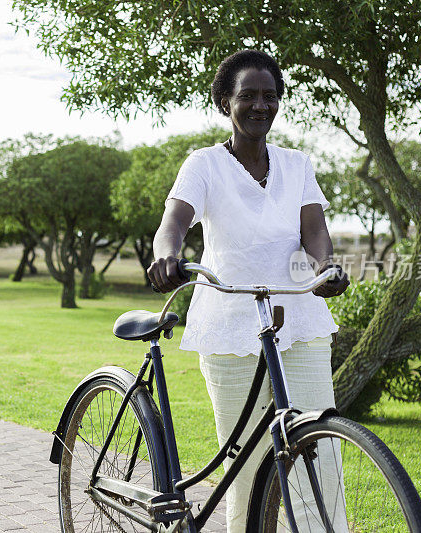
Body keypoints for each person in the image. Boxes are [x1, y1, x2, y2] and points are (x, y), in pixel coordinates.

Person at [147, 49, 350, 532]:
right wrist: (166, 253)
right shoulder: (204, 164)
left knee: (317, 459)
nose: (260, 105)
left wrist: (327, 268)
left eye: (270, 96)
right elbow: (174, 220)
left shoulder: (296, 163)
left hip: (298, 321)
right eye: (248, 96)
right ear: (224, 103)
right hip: (230, 326)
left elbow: (314, 231)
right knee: (249, 464)